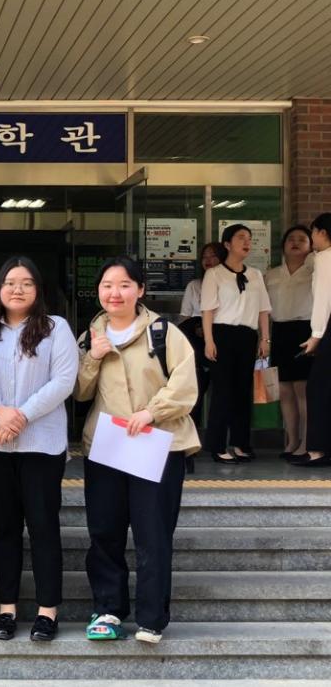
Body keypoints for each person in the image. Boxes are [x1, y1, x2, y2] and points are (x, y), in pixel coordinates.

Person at [75, 256, 199, 644]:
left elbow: (185, 385)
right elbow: (79, 392)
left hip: (158, 444)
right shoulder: (89, 336)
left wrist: (152, 412)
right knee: (104, 531)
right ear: (98, 291)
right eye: (107, 285)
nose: (115, 292)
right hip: (107, 446)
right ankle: (108, 609)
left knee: (153, 533)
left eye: (125, 284)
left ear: (140, 290)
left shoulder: (164, 332)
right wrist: (93, 358)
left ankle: (151, 618)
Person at [0, 256, 78, 642]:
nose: (17, 289)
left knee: (43, 526)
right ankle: (7, 609)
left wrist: (20, 416)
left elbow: (64, 380)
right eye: (10, 282)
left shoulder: (56, 328)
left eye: (26, 283)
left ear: (38, 290)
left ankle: (47, 611)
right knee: (4, 529)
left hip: (42, 445)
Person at [201, 223, 272, 464]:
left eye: (249, 238)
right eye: (241, 237)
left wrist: (265, 338)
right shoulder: (214, 274)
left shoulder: (255, 275)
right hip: (222, 334)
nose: (247, 242)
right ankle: (217, 445)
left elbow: (263, 310)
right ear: (227, 244)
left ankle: (241, 443)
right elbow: (207, 311)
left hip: (247, 335)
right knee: (222, 391)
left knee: (243, 391)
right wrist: (209, 341)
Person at [264, 227, 314, 461]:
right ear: (283, 246)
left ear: (310, 246)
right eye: (291, 239)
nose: (295, 242)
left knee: (303, 389)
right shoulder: (272, 274)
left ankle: (306, 441)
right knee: (284, 390)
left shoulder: (315, 272)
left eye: (302, 239)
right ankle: (292, 440)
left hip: (306, 331)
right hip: (280, 331)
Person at [296, 213, 331, 467]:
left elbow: (323, 300)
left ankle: (318, 450)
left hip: (329, 329)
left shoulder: (325, 258)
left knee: (318, 388)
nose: (312, 238)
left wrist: (316, 335)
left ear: (322, 232)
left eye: (313, 233)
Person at [178, 242, 225, 427]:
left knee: (222, 393)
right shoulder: (194, 286)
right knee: (195, 392)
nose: (208, 260)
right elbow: (184, 317)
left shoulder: (229, 284)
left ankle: (218, 434)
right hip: (198, 345)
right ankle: (193, 433)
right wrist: (195, 328)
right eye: (205, 257)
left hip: (223, 342)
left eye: (213, 256)